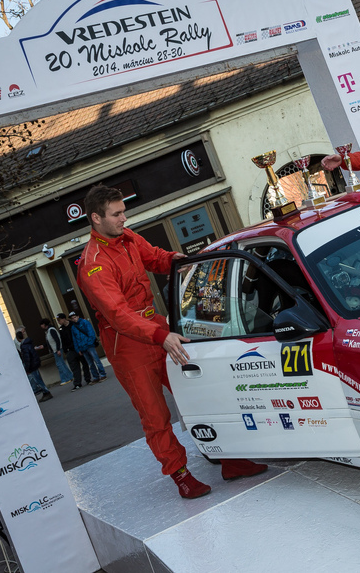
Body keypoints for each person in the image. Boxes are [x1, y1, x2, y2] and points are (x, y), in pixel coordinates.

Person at [76, 184, 266, 498]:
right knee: (155, 416)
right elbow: (118, 315)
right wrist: (160, 335)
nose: (124, 218)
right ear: (96, 218)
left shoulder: (127, 237)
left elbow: (155, 258)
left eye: (124, 212)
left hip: (158, 329)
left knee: (198, 394)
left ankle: (230, 459)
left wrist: (178, 261)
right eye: (117, 214)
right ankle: (181, 476)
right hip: (129, 345)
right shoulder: (92, 264)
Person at [57, 312, 90, 390]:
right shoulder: (61, 329)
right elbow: (62, 340)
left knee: (84, 364)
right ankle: (77, 383)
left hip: (78, 347)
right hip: (70, 350)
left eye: (59, 320)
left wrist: (80, 346)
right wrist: (66, 350)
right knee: (74, 367)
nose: (58, 322)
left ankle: (88, 379)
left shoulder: (73, 324)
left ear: (63, 319)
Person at [70, 312, 106, 383]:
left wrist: (89, 343)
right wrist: (78, 349)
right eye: (72, 318)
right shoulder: (73, 327)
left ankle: (103, 374)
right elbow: (74, 339)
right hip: (82, 347)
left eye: (75, 317)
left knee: (96, 360)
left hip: (89, 345)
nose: (74, 319)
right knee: (90, 363)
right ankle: (95, 377)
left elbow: (91, 332)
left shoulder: (85, 322)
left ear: (78, 316)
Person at [18, 328, 52, 403]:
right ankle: (45, 392)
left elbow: (27, 358)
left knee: (37, 380)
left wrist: (27, 368)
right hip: (35, 363)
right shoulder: (28, 343)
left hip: (32, 365)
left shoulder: (23, 346)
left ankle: (46, 392)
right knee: (38, 379)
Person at [41, 317, 73, 386]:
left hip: (56, 349)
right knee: (61, 363)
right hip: (55, 349)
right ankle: (70, 376)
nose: (41, 326)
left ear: (44, 324)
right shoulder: (49, 330)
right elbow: (50, 341)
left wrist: (58, 349)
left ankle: (66, 378)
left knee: (60, 364)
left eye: (41, 324)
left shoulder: (51, 330)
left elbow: (57, 340)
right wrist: (44, 345)